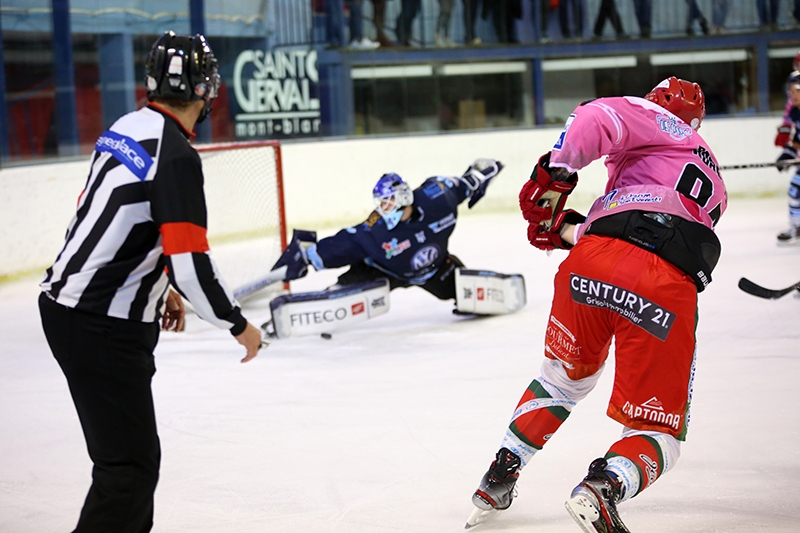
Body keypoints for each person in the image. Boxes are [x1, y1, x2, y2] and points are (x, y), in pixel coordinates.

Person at [466, 77, 726, 532]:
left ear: (657, 104)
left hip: (590, 267)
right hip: (661, 284)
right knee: (658, 433)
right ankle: (602, 488)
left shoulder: (652, 118)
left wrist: (557, 179)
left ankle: (499, 474)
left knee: (561, 382)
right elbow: (655, 229)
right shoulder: (713, 179)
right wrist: (563, 225)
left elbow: (592, 118)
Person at [38, 31, 264, 532]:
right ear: (207, 89)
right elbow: (192, 263)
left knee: (129, 464)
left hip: (69, 307)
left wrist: (160, 284)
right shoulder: (178, 157)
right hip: (101, 324)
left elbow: (112, 217)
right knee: (128, 471)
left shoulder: (126, 127)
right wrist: (238, 324)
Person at [269, 159, 504, 308]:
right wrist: (308, 255)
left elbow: (464, 184)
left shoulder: (438, 198)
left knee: (454, 291)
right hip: (386, 272)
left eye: (388, 202)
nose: (383, 209)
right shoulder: (375, 229)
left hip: (435, 269)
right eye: (381, 203)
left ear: (404, 197)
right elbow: (346, 241)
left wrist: (480, 175)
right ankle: (333, 298)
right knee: (351, 287)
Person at [774, 70, 800, 244]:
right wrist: (787, 154)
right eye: (790, 91)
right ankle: (796, 227)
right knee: (794, 191)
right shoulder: (796, 112)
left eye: (796, 90)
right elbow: (798, 140)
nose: (792, 95)